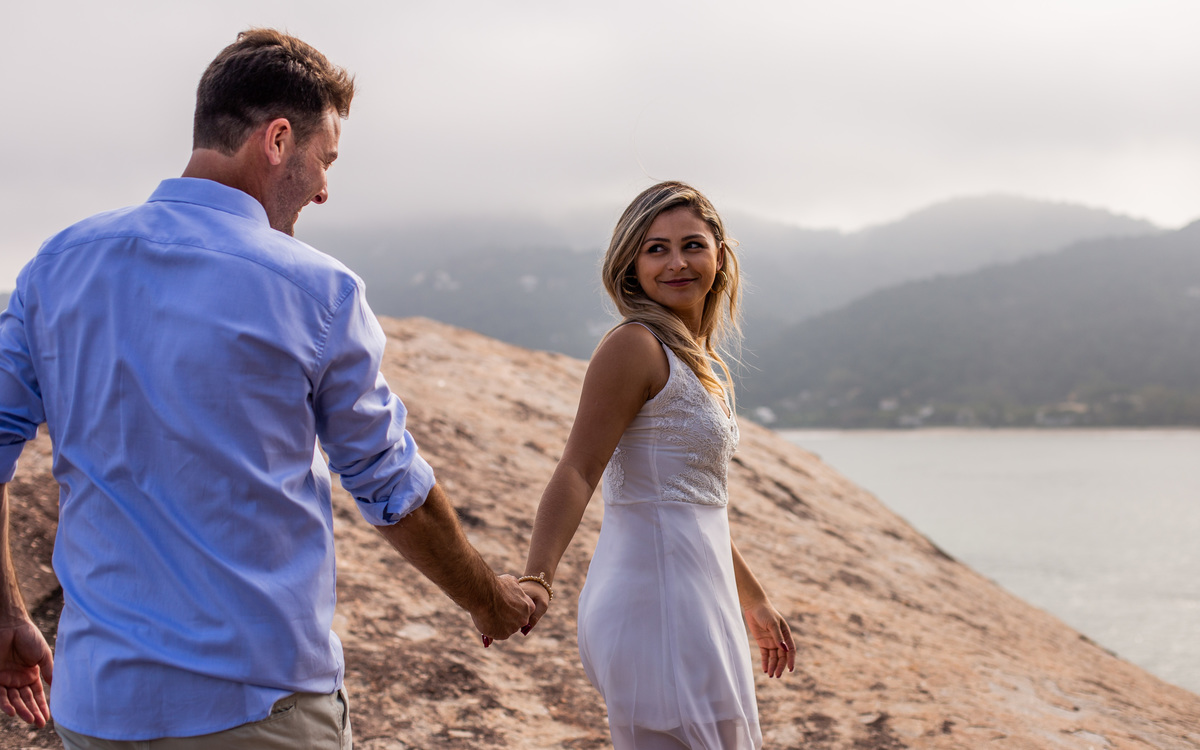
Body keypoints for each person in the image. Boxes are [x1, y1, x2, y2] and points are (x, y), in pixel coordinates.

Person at [0, 28, 533, 748]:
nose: (323, 189)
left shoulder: (56, 265)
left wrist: (6, 613)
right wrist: (491, 600)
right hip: (258, 708)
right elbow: (388, 482)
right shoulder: (316, 292)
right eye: (324, 159)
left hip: (97, 709)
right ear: (278, 140)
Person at [518, 181, 795, 749]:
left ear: (720, 256)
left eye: (692, 245)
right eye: (656, 249)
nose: (677, 263)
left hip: (699, 597)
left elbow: (692, 501)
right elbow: (578, 469)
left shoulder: (698, 359)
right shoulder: (634, 346)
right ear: (631, 265)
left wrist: (753, 598)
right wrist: (537, 578)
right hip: (654, 601)